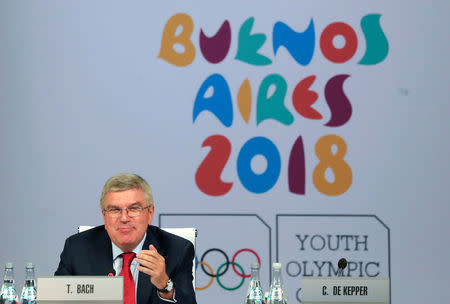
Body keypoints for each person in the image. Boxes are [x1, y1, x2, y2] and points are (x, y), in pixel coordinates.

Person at [55, 173, 197, 304]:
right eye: (115, 210)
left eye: (134, 208)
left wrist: (165, 285)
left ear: (150, 213)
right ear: (104, 216)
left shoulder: (177, 250)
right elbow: (55, 299)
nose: (124, 218)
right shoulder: (77, 248)